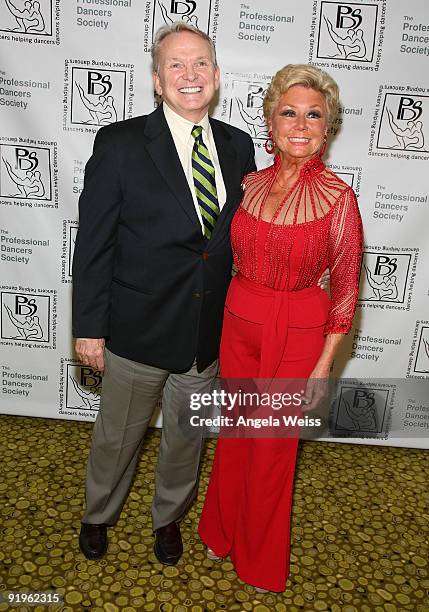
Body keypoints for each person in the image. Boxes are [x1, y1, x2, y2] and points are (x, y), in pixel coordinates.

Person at [72, 22, 256, 563]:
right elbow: (94, 243)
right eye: (176, 64)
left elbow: (233, 241)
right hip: (135, 329)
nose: (189, 75)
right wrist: (89, 327)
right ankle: (97, 513)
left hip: (206, 333)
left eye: (200, 63)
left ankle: (168, 518)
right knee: (116, 439)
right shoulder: (120, 143)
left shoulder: (238, 145)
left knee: (186, 440)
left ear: (217, 76)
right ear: (157, 80)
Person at [198, 64, 363, 592]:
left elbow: (346, 289)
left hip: (298, 330)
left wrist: (323, 366)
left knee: (272, 449)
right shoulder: (248, 182)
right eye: (289, 112)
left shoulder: (339, 198)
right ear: (270, 121)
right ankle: (221, 531)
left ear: (327, 127)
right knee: (236, 435)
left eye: (314, 115)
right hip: (238, 318)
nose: (300, 123)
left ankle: (258, 557)